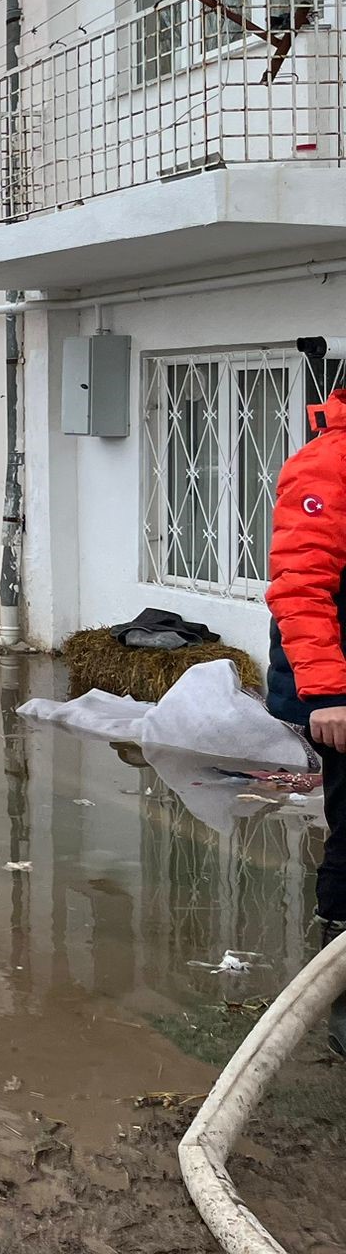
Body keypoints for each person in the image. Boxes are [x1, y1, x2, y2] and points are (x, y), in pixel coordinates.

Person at [265, 387, 346, 1054]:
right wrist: (327, 696)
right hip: (340, 686)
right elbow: (300, 584)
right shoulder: (326, 464)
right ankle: (340, 986)